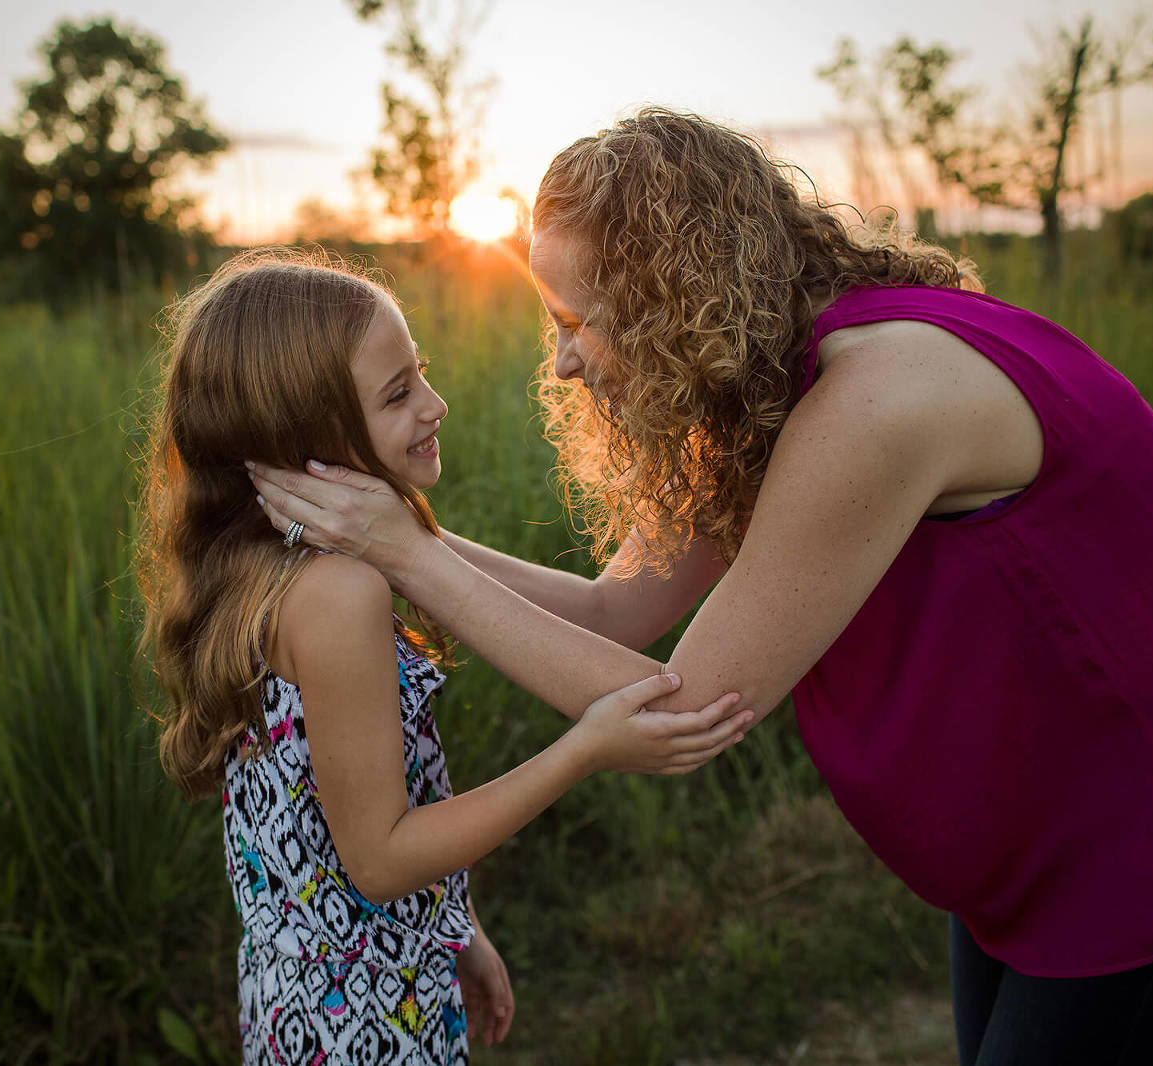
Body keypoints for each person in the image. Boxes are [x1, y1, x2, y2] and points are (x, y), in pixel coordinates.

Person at [248, 111, 1153, 1065]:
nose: (559, 362)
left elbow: (688, 708)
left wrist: (408, 554)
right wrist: (395, 535)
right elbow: (618, 612)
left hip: (1152, 831)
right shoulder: (756, 392)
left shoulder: (876, 401)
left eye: (576, 320)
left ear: (671, 308)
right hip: (1033, 849)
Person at [136, 249, 752, 1065]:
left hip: (302, 998)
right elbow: (383, 856)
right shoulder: (338, 592)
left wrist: (456, 930)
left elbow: (332, 818)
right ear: (305, 438)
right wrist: (584, 750)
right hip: (366, 1023)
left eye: (418, 373)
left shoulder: (259, 569)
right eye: (397, 395)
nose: (436, 404)